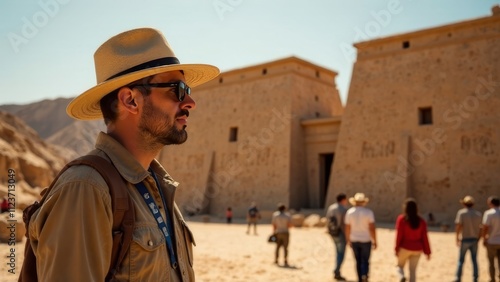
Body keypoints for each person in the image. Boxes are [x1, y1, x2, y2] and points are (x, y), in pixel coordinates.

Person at [27, 28, 220, 281]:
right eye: (178, 89)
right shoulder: (86, 188)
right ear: (130, 100)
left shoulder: (158, 186)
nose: (190, 102)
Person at [394, 198, 431, 282]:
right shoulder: (421, 221)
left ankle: (401, 277)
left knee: (399, 266)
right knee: (413, 271)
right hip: (417, 249)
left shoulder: (401, 220)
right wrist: (428, 252)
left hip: (404, 247)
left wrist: (396, 248)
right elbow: (425, 238)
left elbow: (399, 236)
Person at [345, 193, 377, 282]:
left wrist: (348, 239)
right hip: (366, 240)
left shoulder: (350, 212)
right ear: (363, 202)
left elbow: (347, 228)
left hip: (354, 239)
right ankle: (365, 275)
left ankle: (359, 278)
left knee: (358, 261)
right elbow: (372, 228)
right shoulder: (368, 213)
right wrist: (375, 240)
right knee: (365, 260)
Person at [453, 195, 482, 282]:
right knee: (474, 260)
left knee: (461, 260)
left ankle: (458, 278)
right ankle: (475, 278)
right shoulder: (478, 214)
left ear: (464, 204)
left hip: (465, 239)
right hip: (474, 239)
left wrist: (457, 238)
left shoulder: (461, 213)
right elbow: (481, 228)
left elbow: (458, 226)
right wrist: (479, 238)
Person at [326, 193, 349, 281]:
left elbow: (327, 220)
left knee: (338, 252)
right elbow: (344, 224)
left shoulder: (331, 207)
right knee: (341, 253)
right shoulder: (343, 209)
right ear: (343, 200)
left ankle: (337, 270)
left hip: (333, 233)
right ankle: (337, 271)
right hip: (340, 234)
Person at [482, 195, 500, 282]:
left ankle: (492, 279)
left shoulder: (489, 213)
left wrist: (484, 238)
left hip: (492, 241)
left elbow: (485, 227)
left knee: (491, 262)